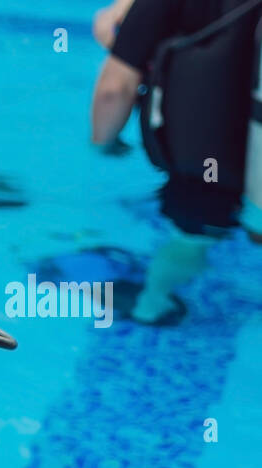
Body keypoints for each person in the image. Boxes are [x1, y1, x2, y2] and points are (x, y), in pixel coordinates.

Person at [89, 0, 262, 324]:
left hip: (209, 171)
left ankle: (152, 303)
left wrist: (103, 145)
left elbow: (114, 89)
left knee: (190, 241)